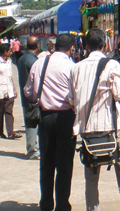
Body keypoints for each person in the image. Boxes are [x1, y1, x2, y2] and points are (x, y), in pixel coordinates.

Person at [68, 28, 120, 211]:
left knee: (91, 175)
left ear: (86, 45)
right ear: (104, 44)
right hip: (110, 129)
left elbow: (71, 99)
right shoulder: (112, 65)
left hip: (87, 131)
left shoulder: (75, 68)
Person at [24, 34, 76, 211]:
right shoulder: (71, 66)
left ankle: (46, 203)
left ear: (53, 46)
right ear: (71, 48)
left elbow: (28, 91)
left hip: (45, 118)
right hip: (66, 119)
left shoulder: (40, 63)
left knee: (46, 163)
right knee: (65, 164)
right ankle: (62, 205)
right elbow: (77, 96)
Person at [16, 36, 40, 159]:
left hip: (25, 97)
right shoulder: (34, 61)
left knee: (29, 123)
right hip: (34, 97)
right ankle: (33, 150)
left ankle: (32, 148)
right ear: (37, 46)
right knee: (34, 124)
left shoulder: (21, 59)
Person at [0, 43, 19, 139]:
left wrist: (14, 89)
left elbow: (10, 76)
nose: (11, 52)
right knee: (0, 112)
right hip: (1, 90)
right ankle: (0, 132)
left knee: (9, 111)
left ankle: (11, 132)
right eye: (9, 51)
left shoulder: (9, 61)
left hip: (9, 89)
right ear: (4, 52)